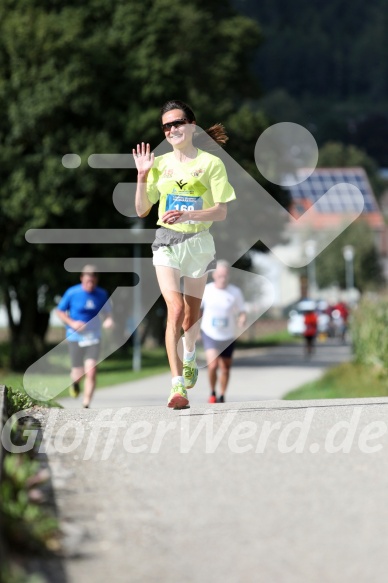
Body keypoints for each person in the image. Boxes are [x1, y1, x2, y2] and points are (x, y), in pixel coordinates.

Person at [133, 99, 236, 410]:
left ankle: (190, 352)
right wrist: (141, 176)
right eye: (166, 125)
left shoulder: (211, 164)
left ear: (191, 125)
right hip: (165, 242)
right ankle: (177, 387)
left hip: (198, 244)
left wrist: (192, 215)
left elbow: (221, 213)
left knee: (192, 316)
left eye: (177, 122)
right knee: (175, 310)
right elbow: (141, 210)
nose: (172, 129)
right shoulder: (159, 165)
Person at [56, 265, 114, 408]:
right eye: (87, 281)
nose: (90, 284)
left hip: (94, 337)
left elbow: (108, 313)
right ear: (82, 278)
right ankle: (75, 383)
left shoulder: (101, 294)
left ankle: (86, 402)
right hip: (75, 337)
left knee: (91, 370)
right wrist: (73, 323)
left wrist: (108, 320)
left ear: (96, 280)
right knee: (78, 372)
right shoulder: (72, 292)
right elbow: (60, 312)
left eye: (93, 282)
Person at [200, 260, 246, 403]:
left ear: (228, 276)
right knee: (213, 365)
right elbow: (197, 311)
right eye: (220, 275)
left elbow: (242, 311)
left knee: (225, 368)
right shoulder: (206, 290)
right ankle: (212, 392)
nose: (222, 278)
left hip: (228, 335)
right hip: (210, 333)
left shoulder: (235, 292)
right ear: (214, 275)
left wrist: (242, 319)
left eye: (225, 275)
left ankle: (222, 395)